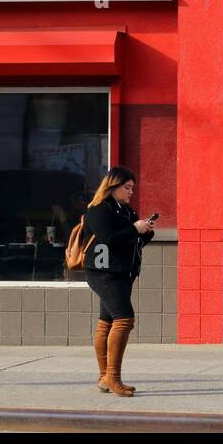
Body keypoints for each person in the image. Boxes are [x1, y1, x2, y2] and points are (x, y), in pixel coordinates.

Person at [82, 167, 155, 397]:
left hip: (123, 273)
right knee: (124, 319)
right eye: (127, 187)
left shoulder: (125, 210)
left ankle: (105, 377)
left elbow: (132, 241)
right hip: (103, 272)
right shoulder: (98, 210)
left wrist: (145, 231)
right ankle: (113, 377)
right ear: (113, 186)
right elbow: (109, 239)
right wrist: (134, 228)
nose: (131, 191)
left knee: (107, 321)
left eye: (132, 188)